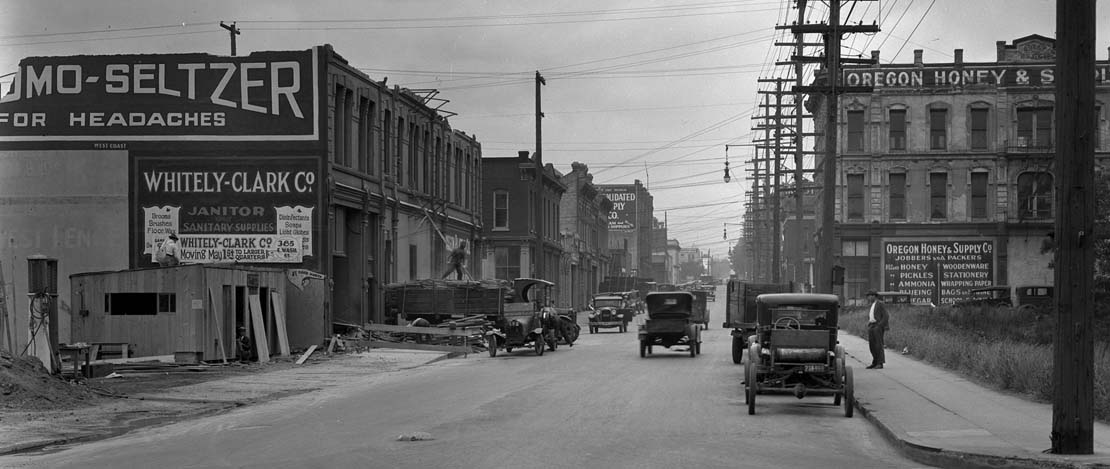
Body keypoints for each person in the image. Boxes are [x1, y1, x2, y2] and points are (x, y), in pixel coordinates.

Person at [865, 290, 890, 369]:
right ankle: (875, 361)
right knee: (872, 345)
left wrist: (880, 325)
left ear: (874, 296)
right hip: (871, 325)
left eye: (869, 296)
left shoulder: (880, 304)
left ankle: (880, 363)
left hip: (877, 326)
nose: (868, 298)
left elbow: (886, 316)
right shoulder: (872, 304)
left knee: (878, 345)